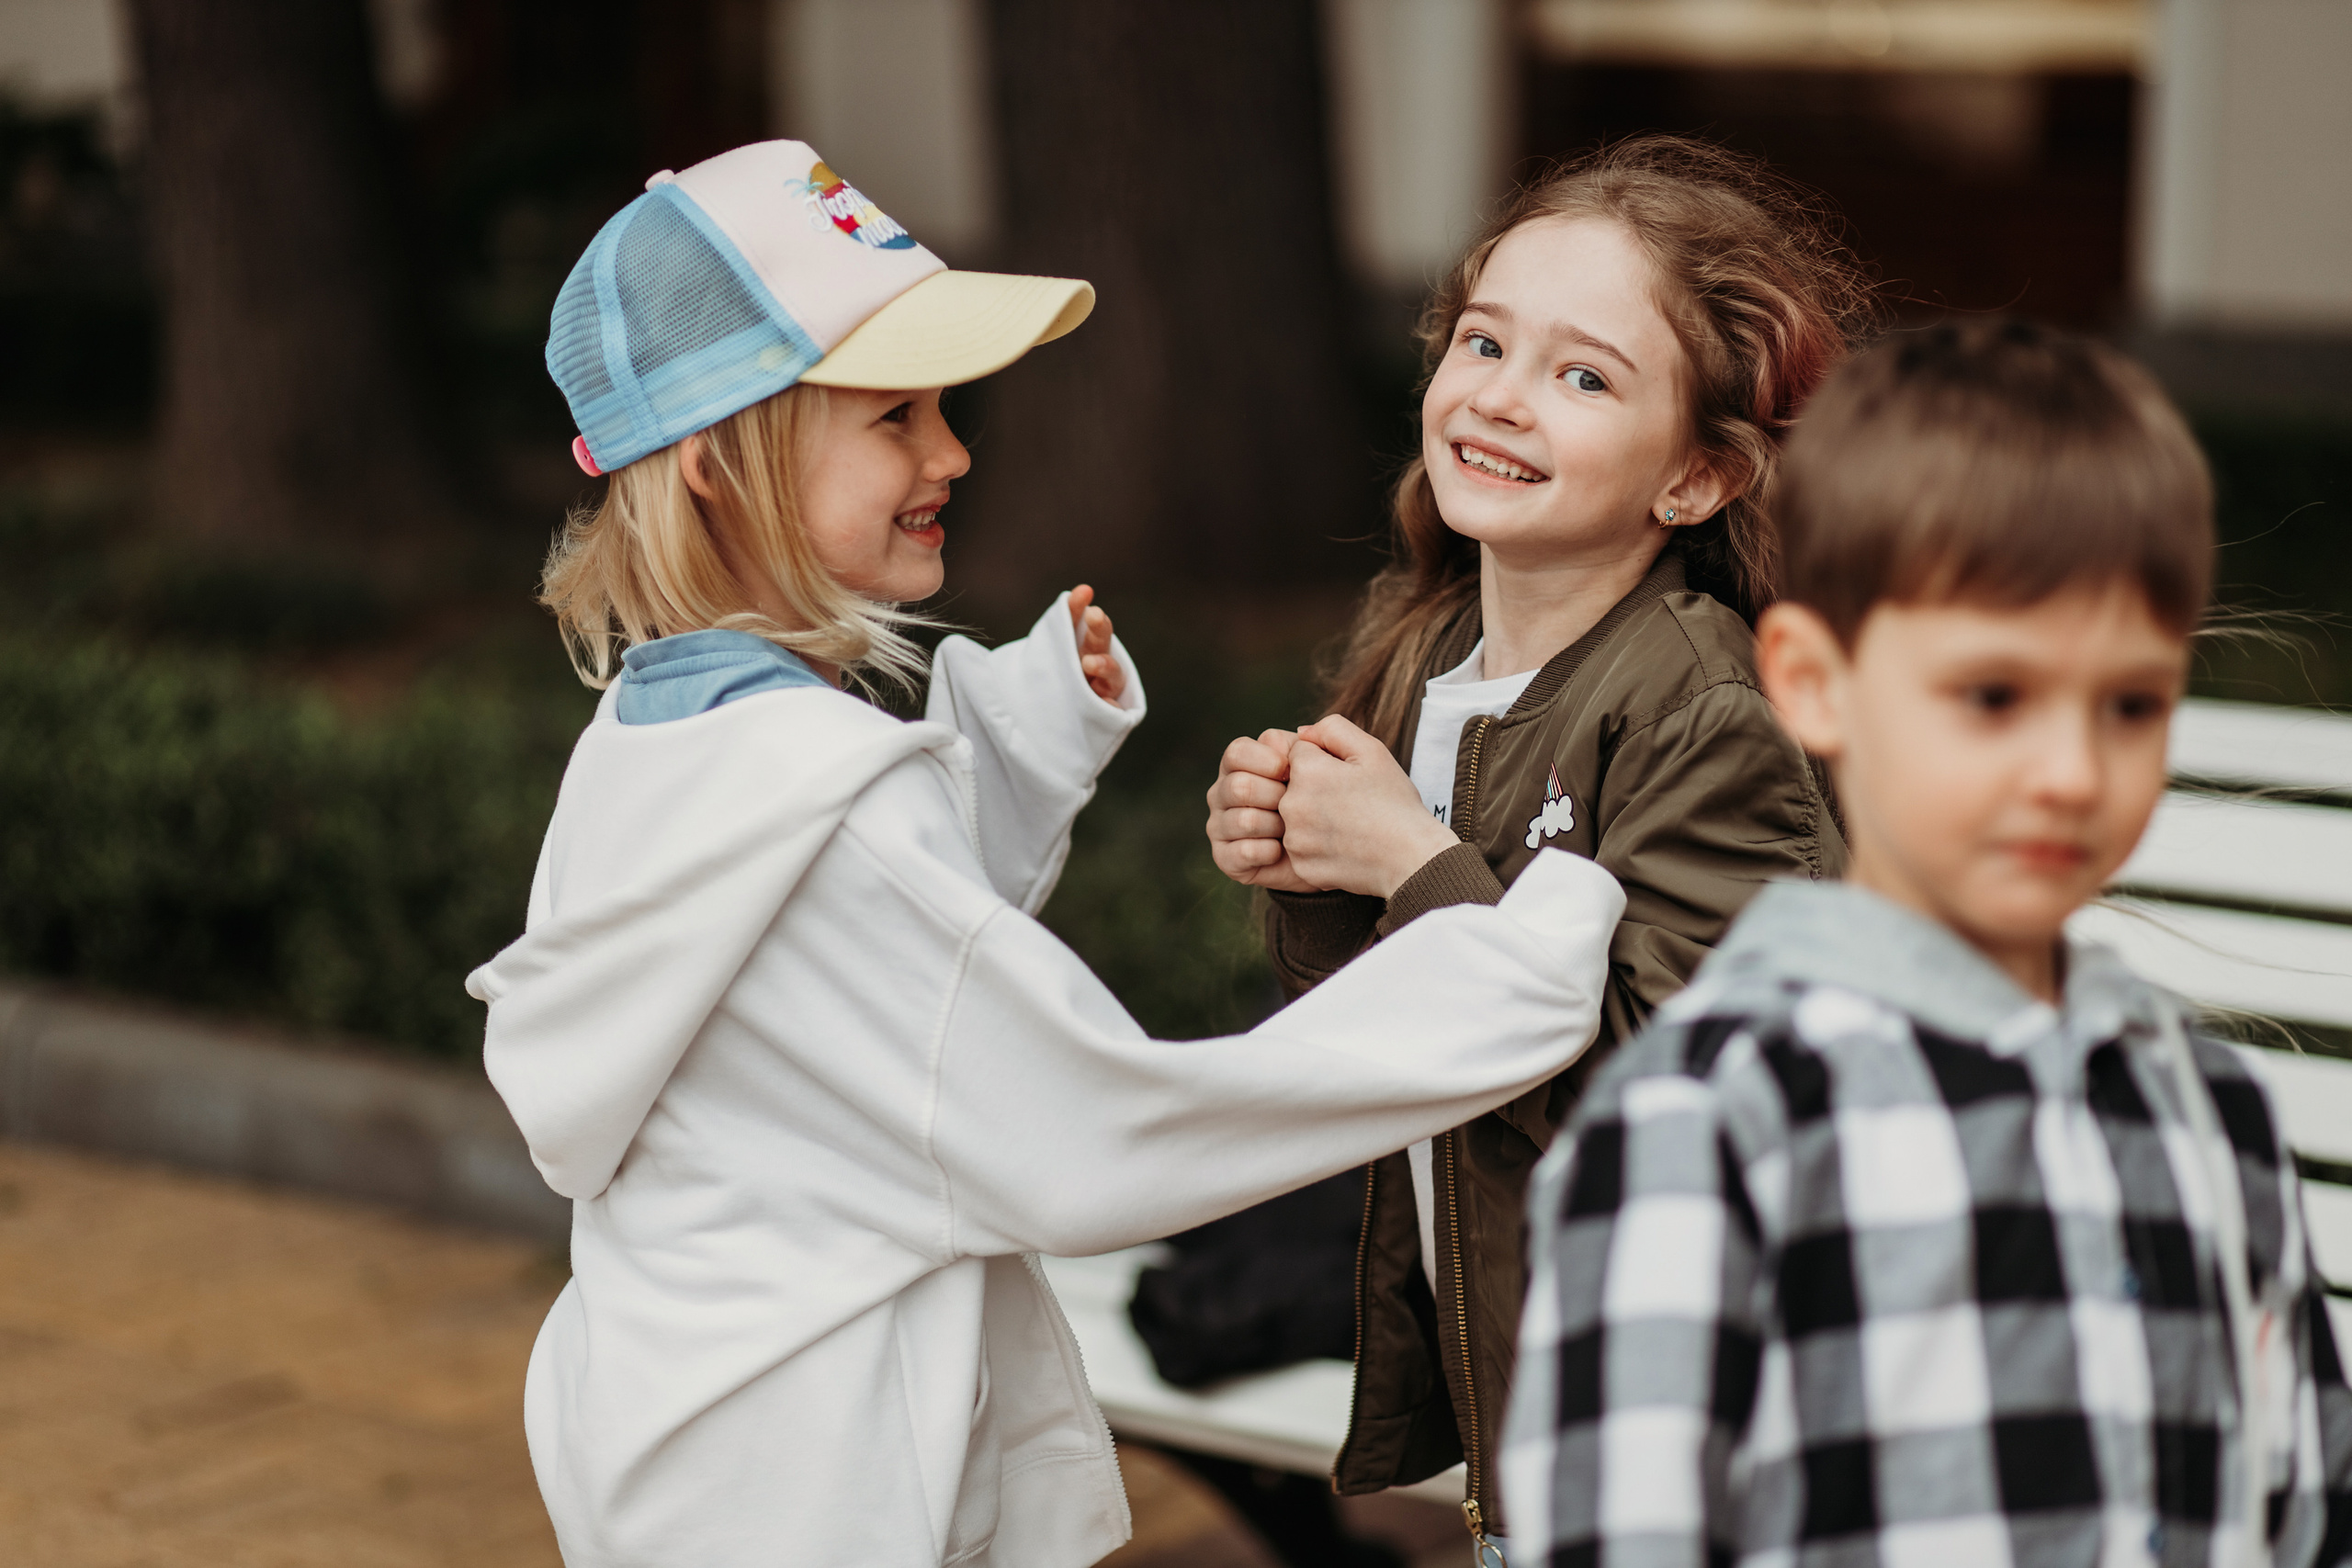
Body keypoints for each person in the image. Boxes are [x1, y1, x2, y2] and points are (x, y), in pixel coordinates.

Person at [466, 140, 1631, 1568]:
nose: (952, 451)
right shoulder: (829, 813)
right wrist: (1507, 966)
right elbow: (1093, 1138)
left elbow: (871, 1039)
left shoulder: (659, 750)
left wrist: (1006, 748)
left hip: (688, 1457)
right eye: (894, 415)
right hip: (840, 1506)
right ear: (717, 464)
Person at [1503, 320, 2352, 1566]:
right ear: (1814, 681)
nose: (2069, 771)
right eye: (1994, 696)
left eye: (2129, 704)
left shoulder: (2205, 1105)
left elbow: (2307, 1511)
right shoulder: (1709, 1127)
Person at [1202, 135, 1870, 1557]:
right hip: (1536, 1408)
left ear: (1694, 479)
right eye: (1485, 342)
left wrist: (1409, 865)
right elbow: (1386, 1033)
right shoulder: (1432, 653)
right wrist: (1303, 866)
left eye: (1583, 376)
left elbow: (1680, 1114)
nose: (1502, 397)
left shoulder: (1705, 716)